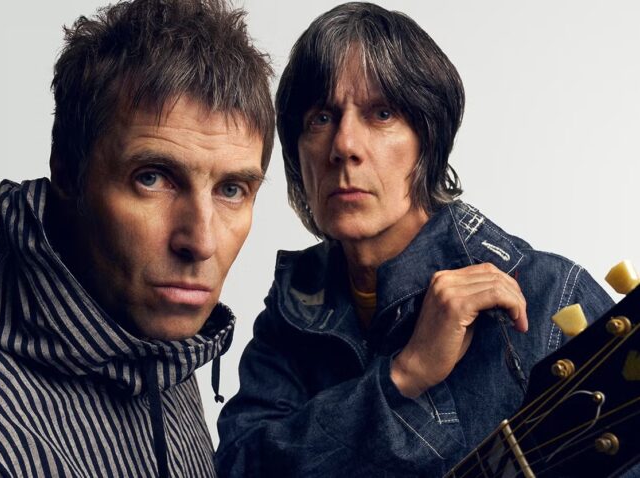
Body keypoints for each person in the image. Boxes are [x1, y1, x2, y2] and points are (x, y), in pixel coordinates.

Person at [215, 3, 618, 477]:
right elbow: (240, 466)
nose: (344, 145)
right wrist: (403, 376)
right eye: (321, 118)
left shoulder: (551, 297)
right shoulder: (292, 313)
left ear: (428, 141)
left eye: (382, 114)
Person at [0, 0, 273, 476]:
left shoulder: (161, 350)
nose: (201, 241)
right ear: (68, 174)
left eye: (231, 189)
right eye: (152, 178)